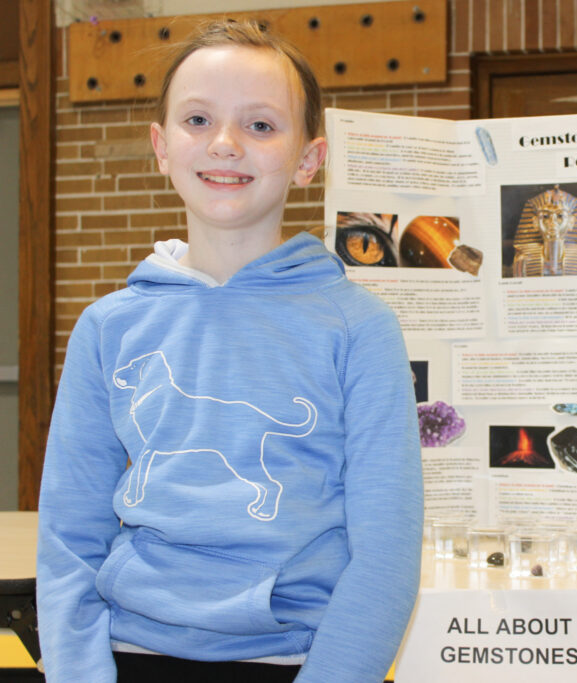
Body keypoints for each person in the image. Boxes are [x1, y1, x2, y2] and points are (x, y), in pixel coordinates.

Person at [36, 20, 423, 683]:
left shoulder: (360, 328)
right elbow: (69, 538)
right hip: (125, 657)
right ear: (161, 147)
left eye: (261, 126)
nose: (225, 143)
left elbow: (385, 557)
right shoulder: (108, 327)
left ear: (308, 159)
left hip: (297, 660)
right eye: (197, 119)